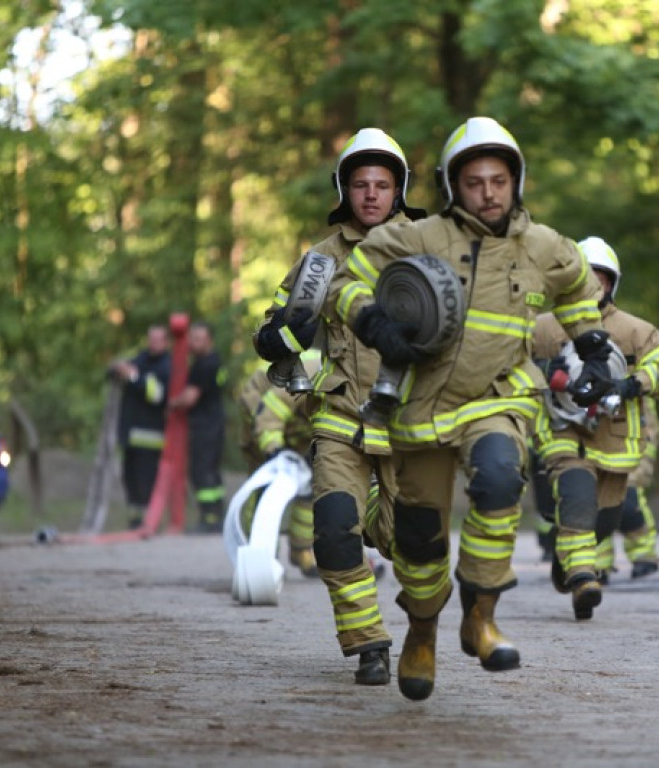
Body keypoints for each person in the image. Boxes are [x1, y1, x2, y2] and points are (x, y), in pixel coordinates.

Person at [327, 116, 611, 700]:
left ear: (516, 183)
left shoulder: (543, 247)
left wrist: (593, 346)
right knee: (420, 540)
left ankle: (481, 613)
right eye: (475, 182)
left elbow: (580, 287)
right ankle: (423, 629)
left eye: (499, 181)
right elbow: (347, 278)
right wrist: (372, 319)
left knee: (500, 479)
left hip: (498, 397)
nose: (488, 193)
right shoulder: (422, 236)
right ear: (454, 185)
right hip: (421, 409)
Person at [254, 127, 424, 687]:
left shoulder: (428, 249)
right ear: (344, 190)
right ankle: (368, 642)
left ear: (399, 190)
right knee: (331, 531)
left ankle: (380, 526)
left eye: (382, 184)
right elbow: (271, 333)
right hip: (341, 419)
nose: (371, 194)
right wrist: (284, 336)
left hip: (410, 425)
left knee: (408, 543)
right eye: (360, 184)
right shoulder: (320, 262)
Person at [532, 236, 659, 620]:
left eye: (601, 280)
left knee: (605, 517)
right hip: (562, 431)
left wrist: (632, 383)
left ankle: (570, 565)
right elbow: (510, 364)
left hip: (614, 438)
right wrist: (550, 375)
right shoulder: (543, 328)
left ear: (613, 284)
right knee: (576, 494)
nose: (593, 288)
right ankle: (583, 578)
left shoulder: (636, 331)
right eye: (584, 279)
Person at [236, 351, 322, 576]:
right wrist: (273, 450)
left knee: (313, 484)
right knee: (263, 490)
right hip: (260, 412)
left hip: (298, 429)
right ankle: (261, 554)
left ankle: (302, 550)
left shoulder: (350, 385)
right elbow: (270, 415)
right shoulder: (308, 375)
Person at [109, 324, 171, 529]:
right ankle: (135, 520)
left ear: (166, 342)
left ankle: (149, 523)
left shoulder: (167, 365)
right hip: (130, 434)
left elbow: (157, 395)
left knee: (146, 481)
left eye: (157, 339)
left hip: (150, 436)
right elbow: (115, 372)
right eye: (150, 339)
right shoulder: (141, 359)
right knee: (130, 480)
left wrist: (134, 377)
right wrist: (118, 370)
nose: (152, 344)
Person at [595, 398, 659, 583]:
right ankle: (599, 564)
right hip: (599, 447)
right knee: (597, 501)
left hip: (632, 450)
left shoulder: (638, 386)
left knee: (630, 501)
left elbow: (649, 428)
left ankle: (643, 554)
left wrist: (643, 461)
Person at [170, 321, 228, 534]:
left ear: (209, 340)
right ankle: (217, 516)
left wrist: (172, 403)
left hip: (205, 425)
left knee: (201, 472)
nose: (193, 343)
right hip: (214, 423)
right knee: (211, 470)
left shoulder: (205, 364)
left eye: (198, 339)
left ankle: (209, 518)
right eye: (191, 338)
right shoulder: (213, 361)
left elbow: (190, 398)